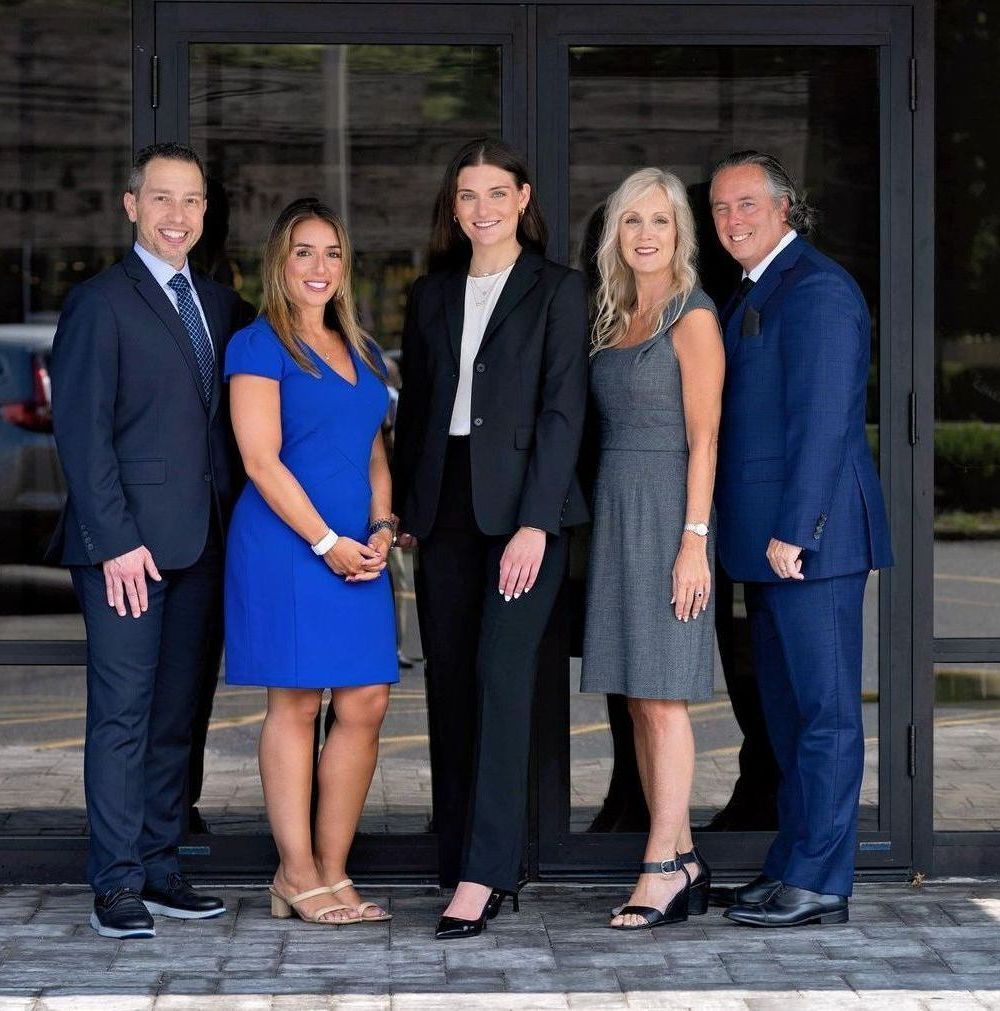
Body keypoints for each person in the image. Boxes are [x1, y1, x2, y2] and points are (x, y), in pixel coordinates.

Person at [47, 142, 254, 938]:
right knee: (123, 716)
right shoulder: (100, 301)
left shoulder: (218, 301)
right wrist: (115, 541)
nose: (178, 215)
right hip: (124, 552)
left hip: (201, 543)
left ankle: (163, 866)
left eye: (192, 200)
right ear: (130, 205)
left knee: (177, 716)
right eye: (162, 198)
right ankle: (117, 881)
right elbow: (83, 433)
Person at [392, 137, 589, 939]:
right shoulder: (429, 294)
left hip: (521, 514)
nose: (482, 208)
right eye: (467, 195)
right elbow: (417, 408)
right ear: (455, 206)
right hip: (441, 511)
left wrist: (537, 522)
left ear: (524, 198)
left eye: (496, 193)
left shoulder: (557, 289)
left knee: (502, 681)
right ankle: (456, 858)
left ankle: (488, 872)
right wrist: (406, 507)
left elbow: (564, 411)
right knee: (448, 687)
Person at [708, 151, 893, 927]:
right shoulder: (757, 288)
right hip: (767, 544)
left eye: (746, 204)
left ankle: (821, 879)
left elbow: (823, 421)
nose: (732, 220)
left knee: (823, 715)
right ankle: (792, 862)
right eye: (720, 208)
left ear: (784, 208)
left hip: (807, 544)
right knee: (784, 715)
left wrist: (797, 530)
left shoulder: (815, 289)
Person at [224, 198, 398, 925]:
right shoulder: (258, 345)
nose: (319, 266)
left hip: (359, 552)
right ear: (279, 262)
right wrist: (327, 542)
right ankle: (295, 873)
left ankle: (333, 868)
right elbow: (260, 460)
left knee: (366, 701)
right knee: (295, 703)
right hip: (288, 549)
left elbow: (375, 452)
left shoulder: (363, 351)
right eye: (304, 251)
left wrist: (383, 526)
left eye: (331, 252)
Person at [580, 168, 724, 930]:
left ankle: (661, 866)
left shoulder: (691, 318)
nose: (644, 235)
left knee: (664, 698)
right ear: (616, 235)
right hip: (618, 505)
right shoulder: (618, 316)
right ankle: (686, 854)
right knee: (638, 695)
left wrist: (693, 543)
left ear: (679, 235)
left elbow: (705, 440)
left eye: (659, 223)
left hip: (670, 508)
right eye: (631, 221)